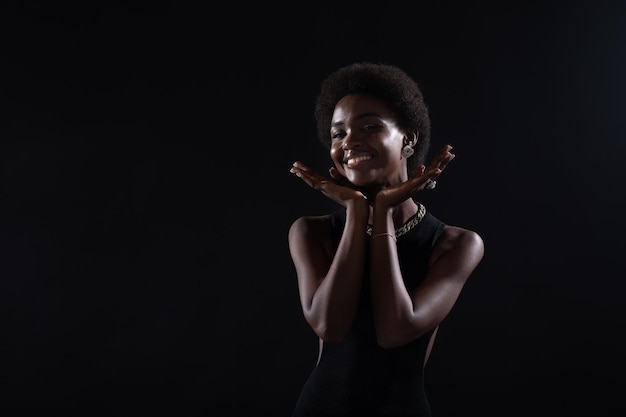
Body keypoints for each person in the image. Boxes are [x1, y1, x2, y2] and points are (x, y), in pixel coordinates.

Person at [287, 62, 485, 417]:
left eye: (369, 126)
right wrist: (357, 209)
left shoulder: (457, 244)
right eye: (337, 133)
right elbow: (329, 325)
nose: (348, 142)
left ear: (408, 138)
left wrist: (380, 213)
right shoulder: (310, 232)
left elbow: (395, 329)